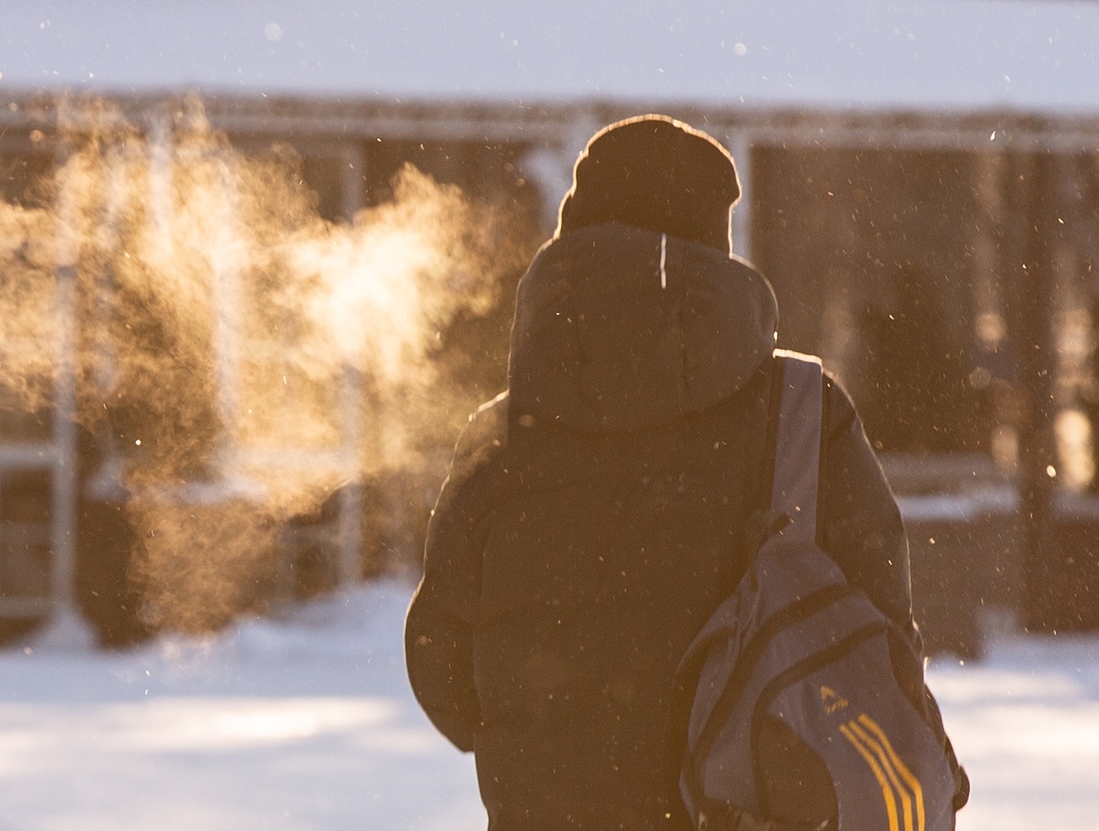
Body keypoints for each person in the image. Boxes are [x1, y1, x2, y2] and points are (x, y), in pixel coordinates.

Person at [404, 114, 964, 830]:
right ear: (716, 246)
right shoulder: (801, 415)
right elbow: (880, 643)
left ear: (572, 238)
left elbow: (442, 670)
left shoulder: (504, 436)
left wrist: (551, 730)